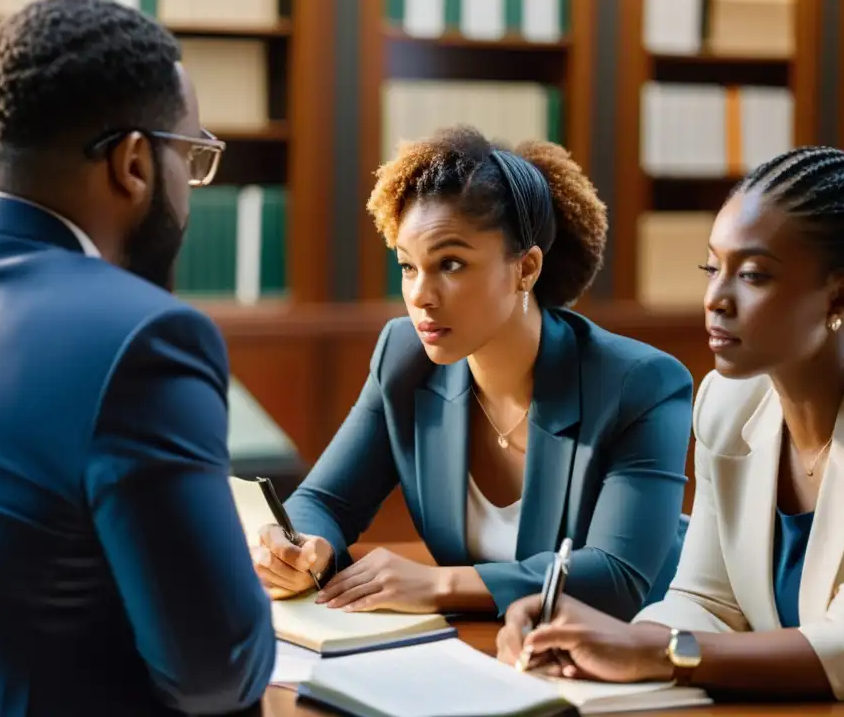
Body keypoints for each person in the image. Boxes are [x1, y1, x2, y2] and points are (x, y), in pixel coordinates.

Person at [0, 0, 274, 717]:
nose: (190, 186)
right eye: (189, 157)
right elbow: (217, 673)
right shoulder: (146, 337)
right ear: (133, 164)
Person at [496, 144, 844, 704]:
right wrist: (597, 642)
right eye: (713, 267)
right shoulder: (726, 402)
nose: (716, 298)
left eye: (754, 276)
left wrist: (651, 653)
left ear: (841, 295)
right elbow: (707, 602)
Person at [253, 125, 693, 619]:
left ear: (526, 269)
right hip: (493, 648)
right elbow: (325, 500)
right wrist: (303, 546)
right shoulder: (403, 357)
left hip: (643, 650)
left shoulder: (641, 383)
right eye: (407, 266)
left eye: (452, 264)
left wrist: (440, 585)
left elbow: (615, 577)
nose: (420, 294)